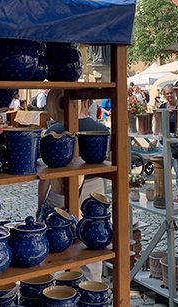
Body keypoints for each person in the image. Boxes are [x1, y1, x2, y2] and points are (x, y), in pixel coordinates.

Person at [36, 98, 107, 281]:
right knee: (91, 247)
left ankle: (57, 287)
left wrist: (40, 203)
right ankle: (91, 287)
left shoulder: (54, 131)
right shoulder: (100, 130)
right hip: (94, 194)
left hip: (60, 194)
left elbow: (46, 175)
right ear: (86, 103)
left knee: (56, 242)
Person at [158, 85, 178, 204]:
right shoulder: (162, 107)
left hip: (177, 143)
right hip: (163, 141)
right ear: (164, 95)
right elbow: (159, 123)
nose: (169, 95)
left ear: (175, 93)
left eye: (171, 93)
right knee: (164, 169)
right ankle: (163, 193)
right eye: (167, 93)